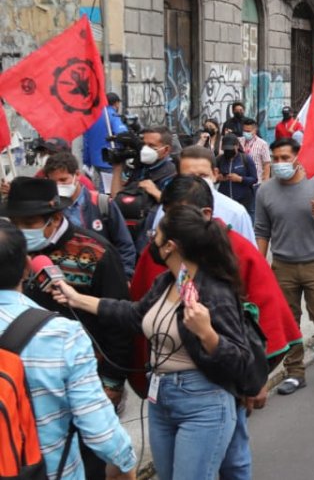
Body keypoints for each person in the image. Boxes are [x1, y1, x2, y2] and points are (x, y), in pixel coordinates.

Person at [53, 205, 267, 480]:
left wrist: (207, 333)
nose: (150, 240)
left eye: (156, 235)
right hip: (161, 399)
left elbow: (240, 361)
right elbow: (134, 315)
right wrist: (76, 299)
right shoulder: (165, 283)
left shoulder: (214, 291)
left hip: (203, 401)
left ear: (170, 246)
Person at [130, 176, 301, 480]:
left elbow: (266, 315)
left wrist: (255, 379)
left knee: (233, 461)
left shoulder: (237, 248)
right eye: (168, 214)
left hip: (221, 385)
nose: (171, 224)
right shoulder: (159, 249)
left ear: (205, 215)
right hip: (167, 387)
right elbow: (136, 311)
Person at [6, 177, 133, 479]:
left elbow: (119, 322)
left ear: (56, 218)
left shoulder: (96, 252)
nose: (23, 230)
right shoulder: (9, 253)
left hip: (85, 379)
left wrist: (112, 385)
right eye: (15, 222)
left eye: (30, 222)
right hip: (22, 386)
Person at [255, 137, 314, 395]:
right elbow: (262, 230)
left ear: (297, 158)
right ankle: (294, 372)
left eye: (285, 158)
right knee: (289, 322)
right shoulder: (265, 191)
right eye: (276, 159)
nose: (280, 163)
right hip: (282, 265)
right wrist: (260, 264)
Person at [43, 152, 138, 278]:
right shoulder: (49, 208)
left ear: (77, 175)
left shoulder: (102, 203)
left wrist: (125, 277)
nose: (59, 186)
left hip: (102, 278)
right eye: (53, 182)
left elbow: (124, 245)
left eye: (63, 180)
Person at [152, 146, 256, 244]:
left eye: (203, 175)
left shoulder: (235, 213)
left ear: (215, 174)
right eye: (190, 176)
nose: (197, 182)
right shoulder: (166, 210)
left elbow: (250, 256)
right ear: (178, 177)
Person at [110, 125, 177, 206]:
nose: (145, 149)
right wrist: (117, 168)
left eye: (151, 145)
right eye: (143, 144)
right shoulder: (140, 167)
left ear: (166, 150)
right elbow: (117, 199)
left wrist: (155, 192)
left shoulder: (172, 173)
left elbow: (177, 208)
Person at [82, 91, 128, 192]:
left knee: (100, 189)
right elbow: (123, 134)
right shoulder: (112, 116)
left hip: (95, 161)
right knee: (109, 191)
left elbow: (86, 142)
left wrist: (86, 162)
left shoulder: (92, 117)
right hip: (109, 161)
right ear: (116, 103)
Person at [216, 134, 259, 219]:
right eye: (226, 149)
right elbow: (213, 177)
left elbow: (254, 179)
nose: (228, 151)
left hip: (244, 200)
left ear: (237, 146)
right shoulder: (219, 159)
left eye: (230, 149)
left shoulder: (246, 159)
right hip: (226, 199)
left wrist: (240, 179)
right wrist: (219, 178)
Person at [240, 118, 272, 183]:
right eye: (244, 131)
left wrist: (266, 182)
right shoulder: (239, 141)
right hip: (241, 181)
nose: (246, 133)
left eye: (248, 131)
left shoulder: (262, 144)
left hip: (256, 182)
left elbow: (267, 164)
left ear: (255, 130)